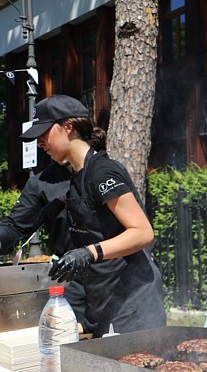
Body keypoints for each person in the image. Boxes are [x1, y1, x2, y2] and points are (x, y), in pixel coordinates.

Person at [19, 94, 166, 338]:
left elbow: (143, 233)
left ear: (68, 127)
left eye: (44, 134)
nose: (39, 142)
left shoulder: (102, 171)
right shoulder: (77, 178)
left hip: (133, 302)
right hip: (104, 299)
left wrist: (88, 252)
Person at [0, 161, 89, 331]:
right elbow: (15, 226)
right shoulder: (40, 182)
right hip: (71, 282)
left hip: (115, 281)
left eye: (45, 136)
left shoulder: (104, 171)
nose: (42, 144)